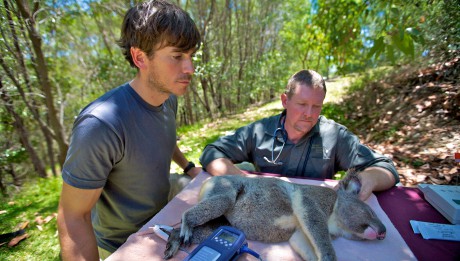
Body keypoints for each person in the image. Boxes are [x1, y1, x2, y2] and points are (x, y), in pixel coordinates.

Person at [57, 1, 202, 260]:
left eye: (191, 56)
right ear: (139, 57)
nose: (190, 68)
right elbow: (72, 216)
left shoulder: (168, 97)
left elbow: (163, 136)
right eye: (178, 56)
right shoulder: (101, 123)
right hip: (122, 244)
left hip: (163, 217)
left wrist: (189, 167)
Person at [199, 69, 399, 201]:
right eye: (302, 104)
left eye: (316, 106)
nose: (309, 114)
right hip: (263, 205)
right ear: (285, 101)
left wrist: (368, 179)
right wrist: (243, 181)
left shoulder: (333, 135)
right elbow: (212, 151)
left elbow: (385, 168)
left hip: (314, 210)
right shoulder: (260, 131)